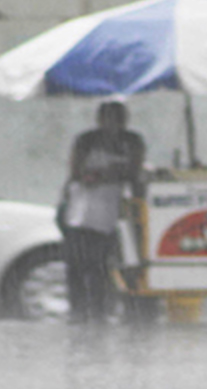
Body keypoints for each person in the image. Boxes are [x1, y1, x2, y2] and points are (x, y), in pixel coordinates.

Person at [59, 101, 146, 323]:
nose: (112, 124)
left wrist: (107, 175)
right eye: (107, 119)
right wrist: (94, 176)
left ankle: (102, 308)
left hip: (113, 209)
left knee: (103, 263)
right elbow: (77, 170)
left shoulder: (131, 141)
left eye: (117, 119)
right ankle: (78, 310)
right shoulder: (86, 140)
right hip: (81, 208)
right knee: (77, 263)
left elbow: (133, 170)